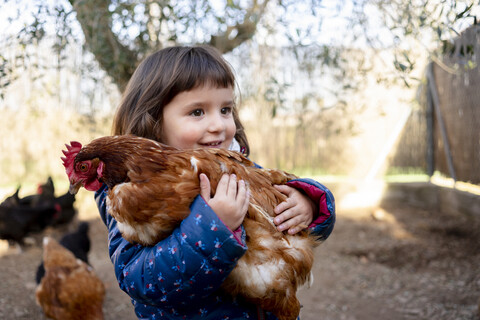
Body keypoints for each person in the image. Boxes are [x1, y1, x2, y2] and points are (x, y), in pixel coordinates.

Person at [95, 45, 335, 319]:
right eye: (197, 112)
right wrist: (212, 228)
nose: (218, 124)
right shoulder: (128, 199)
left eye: (225, 109)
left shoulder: (233, 166)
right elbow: (141, 280)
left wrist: (309, 203)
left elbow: (288, 210)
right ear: (153, 121)